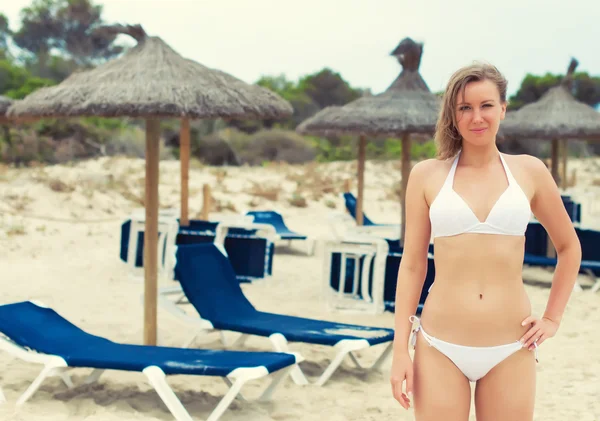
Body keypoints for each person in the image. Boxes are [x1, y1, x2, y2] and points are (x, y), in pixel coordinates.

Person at [389, 62, 582, 420]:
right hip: (439, 346)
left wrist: (553, 319)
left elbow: (569, 248)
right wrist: (401, 349)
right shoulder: (427, 175)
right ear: (453, 114)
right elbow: (413, 264)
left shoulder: (530, 171)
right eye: (465, 107)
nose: (476, 117)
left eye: (486, 105)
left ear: (503, 109)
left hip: (511, 346)